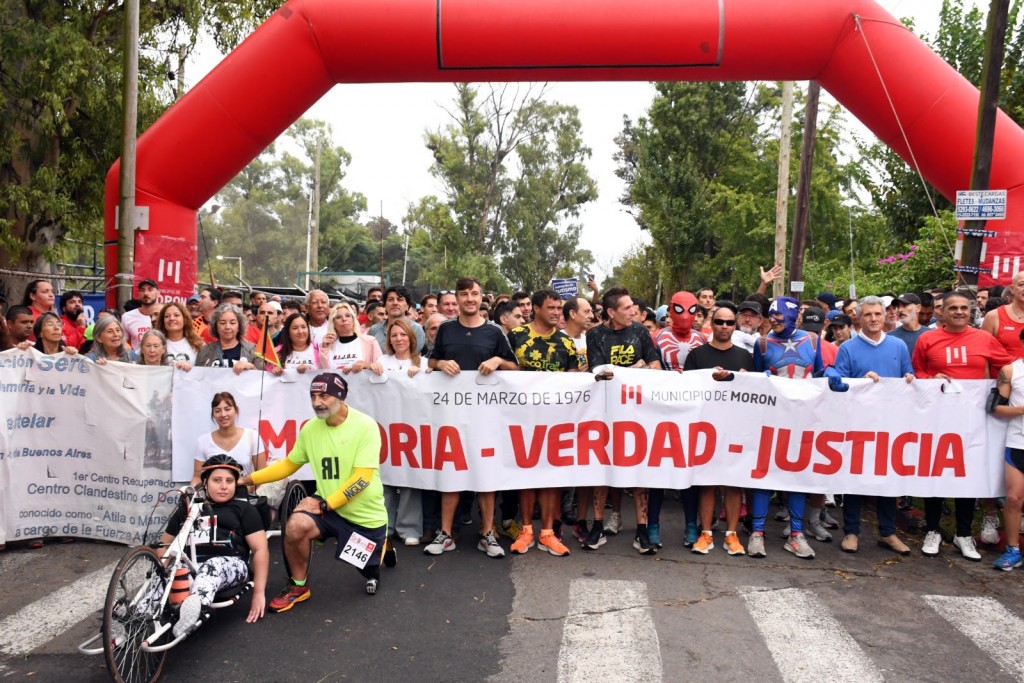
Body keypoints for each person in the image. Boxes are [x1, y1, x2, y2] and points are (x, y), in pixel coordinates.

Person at [240, 373, 389, 602]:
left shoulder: (366, 426)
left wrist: (325, 504)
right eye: (313, 396)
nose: (317, 402)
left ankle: (384, 549)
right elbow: (290, 464)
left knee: (369, 571)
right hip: (328, 509)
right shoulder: (310, 428)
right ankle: (298, 586)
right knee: (295, 525)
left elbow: (362, 478)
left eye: (324, 396)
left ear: (341, 397)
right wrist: (247, 480)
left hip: (363, 514)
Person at [913, 290, 1016, 560]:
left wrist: (1001, 390)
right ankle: (933, 529)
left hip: (973, 421)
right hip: (937, 418)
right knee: (936, 471)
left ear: (970, 312)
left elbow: (1008, 367)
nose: (959, 312)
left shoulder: (984, 338)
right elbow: (917, 371)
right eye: (953, 308)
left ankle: (963, 534)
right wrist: (931, 377)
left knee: (967, 474)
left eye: (964, 308)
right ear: (942, 312)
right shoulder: (927, 339)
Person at [425, 277, 518, 559]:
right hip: (451, 415)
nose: (469, 299)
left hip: (486, 417)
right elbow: (430, 361)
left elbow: (515, 366)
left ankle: (487, 533)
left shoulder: (494, 333)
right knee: (451, 474)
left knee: (486, 475)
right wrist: (440, 363)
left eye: (474, 294)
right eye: (463, 294)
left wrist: (498, 361)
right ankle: (446, 534)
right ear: (457, 298)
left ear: (481, 298)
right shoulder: (445, 330)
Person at [824, 296, 913, 556]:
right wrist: (859, 380)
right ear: (858, 318)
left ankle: (888, 532)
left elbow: (908, 373)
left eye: (878, 314)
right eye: (868, 315)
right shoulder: (848, 348)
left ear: (885, 316)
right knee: (854, 479)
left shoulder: (898, 346)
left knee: (888, 479)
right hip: (857, 424)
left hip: (890, 425)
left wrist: (910, 378)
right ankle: (852, 531)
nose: (874, 319)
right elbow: (838, 380)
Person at [584, 286, 662, 553]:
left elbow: (655, 365)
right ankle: (597, 527)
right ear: (610, 312)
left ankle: (642, 531)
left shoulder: (640, 331)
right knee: (600, 470)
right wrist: (633, 368)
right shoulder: (595, 335)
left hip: (638, 413)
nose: (633, 311)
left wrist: (642, 368)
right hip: (604, 414)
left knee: (639, 470)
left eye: (633, 307)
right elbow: (598, 371)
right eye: (627, 308)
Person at [750, 297, 825, 559]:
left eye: (779, 318)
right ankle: (757, 533)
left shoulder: (813, 341)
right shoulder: (762, 343)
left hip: (803, 421)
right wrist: (762, 379)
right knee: (762, 474)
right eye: (772, 317)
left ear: (793, 318)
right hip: (769, 419)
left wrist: (833, 374)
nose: (774, 322)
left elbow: (821, 373)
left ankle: (795, 534)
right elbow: (755, 380)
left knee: (797, 475)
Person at [160, 455, 269, 636]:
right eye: (217, 480)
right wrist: (164, 570)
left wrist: (259, 593)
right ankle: (132, 619)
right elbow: (165, 543)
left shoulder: (244, 509)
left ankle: (194, 612)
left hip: (231, 565)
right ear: (205, 482)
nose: (224, 486)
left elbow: (260, 550)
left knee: (214, 565)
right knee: (166, 574)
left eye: (229, 481)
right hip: (192, 565)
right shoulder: (187, 509)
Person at [507, 289, 580, 557]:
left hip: (556, 420)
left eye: (558, 308)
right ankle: (526, 529)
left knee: (551, 477)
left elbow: (575, 381)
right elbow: (505, 370)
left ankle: (547, 533)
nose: (556, 312)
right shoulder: (515, 336)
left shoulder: (567, 343)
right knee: (526, 474)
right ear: (535, 308)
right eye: (550, 307)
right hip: (522, 419)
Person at [682, 302, 753, 557]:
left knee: (733, 484)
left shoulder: (745, 357)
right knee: (707, 482)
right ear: (712, 324)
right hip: (706, 428)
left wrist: (746, 379)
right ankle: (706, 533)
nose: (725, 326)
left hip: (736, 428)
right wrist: (706, 378)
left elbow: (755, 395)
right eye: (720, 322)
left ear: (735, 326)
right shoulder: (697, 355)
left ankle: (732, 535)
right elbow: (686, 391)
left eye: (730, 322)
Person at [653, 290, 706, 548]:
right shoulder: (656, 337)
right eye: (679, 309)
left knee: (689, 472)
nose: (685, 316)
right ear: (670, 310)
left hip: (692, 414)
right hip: (660, 411)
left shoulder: (703, 340)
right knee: (656, 471)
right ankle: (652, 524)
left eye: (691, 310)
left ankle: (691, 525)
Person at [380, 318, 428, 545]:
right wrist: (369, 367)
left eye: (403, 335)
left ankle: (409, 529)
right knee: (385, 477)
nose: (398, 339)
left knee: (410, 478)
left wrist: (424, 374)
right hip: (386, 425)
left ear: (412, 338)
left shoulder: (424, 362)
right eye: (394, 335)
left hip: (413, 427)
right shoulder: (381, 360)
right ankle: (385, 525)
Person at [990, 330, 1024, 570]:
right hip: (1017, 441)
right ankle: (1013, 550)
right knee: (1013, 498)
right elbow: (995, 409)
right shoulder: (1011, 371)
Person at [192, 392, 267, 484]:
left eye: (227, 409)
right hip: (213, 497)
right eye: (217, 411)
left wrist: (248, 491)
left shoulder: (253, 436)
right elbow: (197, 477)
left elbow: (263, 475)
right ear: (213, 414)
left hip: (246, 495)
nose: (223, 414)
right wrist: (191, 494)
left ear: (236, 410)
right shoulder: (203, 441)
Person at [195, 304, 264, 373]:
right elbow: (197, 378)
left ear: (239, 326)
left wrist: (252, 368)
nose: (227, 327)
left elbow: (262, 380)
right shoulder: (204, 351)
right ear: (216, 326)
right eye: (222, 323)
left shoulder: (253, 350)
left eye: (232, 323)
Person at [319, 302, 382, 373]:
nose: (344, 319)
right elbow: (320, 372)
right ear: (333, 322)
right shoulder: (327, 346)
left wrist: (367, 365)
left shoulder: (370, 341)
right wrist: (324, 348)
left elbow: (381, 367)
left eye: (348, 315)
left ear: (353, 319)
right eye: (338, 317)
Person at [366, 286, 427, 353]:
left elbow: (412, 356)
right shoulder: (374, 330)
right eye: (390, 299)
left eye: (400, 299)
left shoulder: (416, 329)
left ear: (407, 306)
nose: (395, 303)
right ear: (385, 305)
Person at [983, 271, 1024, 360]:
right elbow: (983, 353)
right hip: (1000, 372)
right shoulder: (993, 316)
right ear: (1012, 289)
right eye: (1021, 284)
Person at [122, 279, 160, 351]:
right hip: (138, 360)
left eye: (150, 290)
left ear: (158, 293)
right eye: (142, 290)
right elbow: (122, 341)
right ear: (139, 294)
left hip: (162, 360)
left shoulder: (166, 315)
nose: (146, 293)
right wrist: (132, 354)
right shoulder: (127, 317)